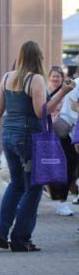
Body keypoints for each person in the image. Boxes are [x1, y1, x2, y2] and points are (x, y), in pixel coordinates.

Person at [0, 40, 74, 252]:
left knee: (16, 184)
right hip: (27, 138)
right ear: (39, 58)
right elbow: (40, 112)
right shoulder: (35, 79)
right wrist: (62, 92)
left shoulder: (7, 77)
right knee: (34, 187)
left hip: (8, 136)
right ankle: (20, 238)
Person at [50, 70, 79, 216]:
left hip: (71, 131)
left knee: (70, 168)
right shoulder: (76, 84)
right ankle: (62, 201)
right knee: (69, 167)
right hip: (69, 133)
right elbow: (73, 108)